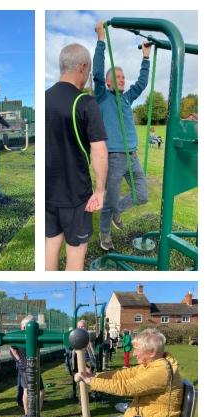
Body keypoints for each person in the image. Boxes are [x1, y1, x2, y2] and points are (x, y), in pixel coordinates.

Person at [44, 329, 184, 417]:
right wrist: (95, 376)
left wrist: (92, 382)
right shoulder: (154, 364)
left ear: (152, 352)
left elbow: (126, 387)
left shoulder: (160, 372)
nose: (134, 353)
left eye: (137, 349)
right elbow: (123, 375)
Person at [45, 43, 108, 271]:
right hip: (76, 195)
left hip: (47, 194)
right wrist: (100, 190)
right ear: (82, 67)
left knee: (50, 245)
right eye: (89, 70)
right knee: (76, 252)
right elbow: (99, 150)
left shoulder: (43, 99)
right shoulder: (85, 102)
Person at [93, 22, 152, 251]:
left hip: (133, 156)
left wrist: (145, 57)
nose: (121, 79)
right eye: (116, 77)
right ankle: (105, 234)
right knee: (108, 202)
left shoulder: (127, 98)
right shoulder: (102, 97)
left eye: (122, 77)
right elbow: (97, 72)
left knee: (142, 194)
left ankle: (118, 209)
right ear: (108, 82)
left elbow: (142, 83)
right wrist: (100, 40)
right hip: (115, 157)